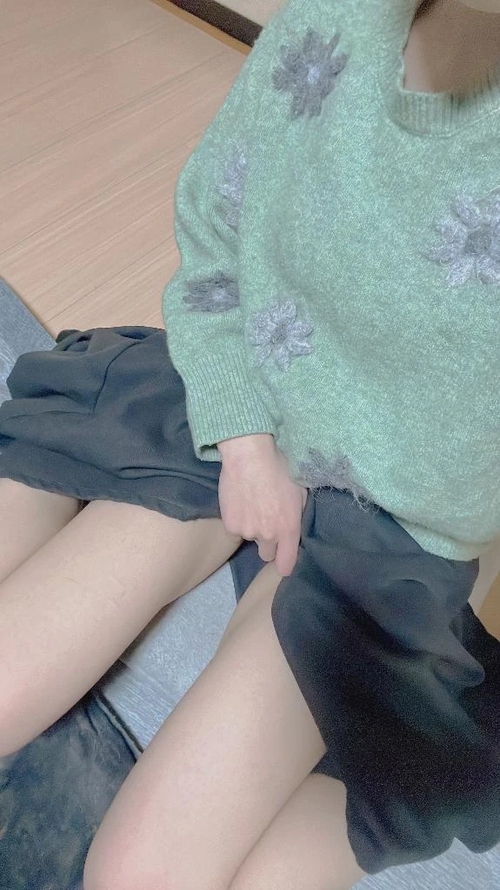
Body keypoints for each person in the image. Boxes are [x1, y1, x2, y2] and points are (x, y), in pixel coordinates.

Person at [0, 0, 499, 887]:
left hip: (394, 530)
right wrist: (242, 439)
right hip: (242, 394)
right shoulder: (339, 20)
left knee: (142, 875)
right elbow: (213, 230)